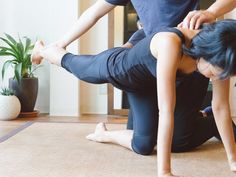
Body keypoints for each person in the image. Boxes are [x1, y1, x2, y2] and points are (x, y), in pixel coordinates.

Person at [32, 19, 236, 177]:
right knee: (73, 64)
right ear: (210, 51)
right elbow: (166, 111)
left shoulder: (221, 55)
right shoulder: (171, 43)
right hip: (121, 69)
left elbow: (220, 108)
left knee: (143, 146)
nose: (217, 78)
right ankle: (42, 49)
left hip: (146, 84)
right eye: (217, 72)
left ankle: (104, 135)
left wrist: (233, 159)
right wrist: (164, 171)